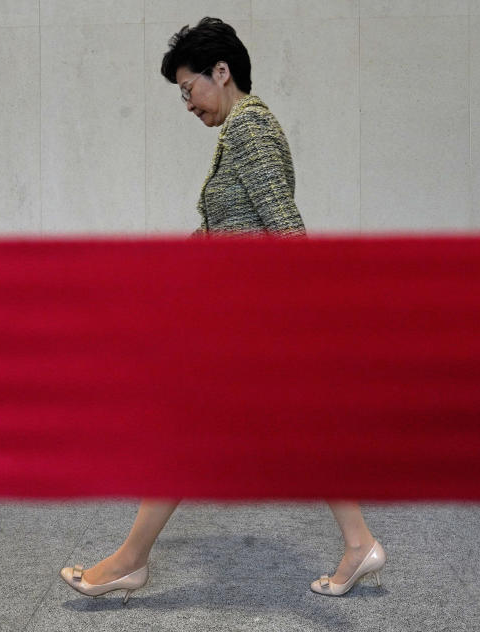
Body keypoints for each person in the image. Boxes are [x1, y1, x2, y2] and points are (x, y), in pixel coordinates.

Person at [59, 17, 385, 603]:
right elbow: (238, 227)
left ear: (221, 72)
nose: (186, 103)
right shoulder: (245, 128)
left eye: (188, 89)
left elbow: (284, 227)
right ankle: (360, 543)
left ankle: (130, 561)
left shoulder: (248, 129)